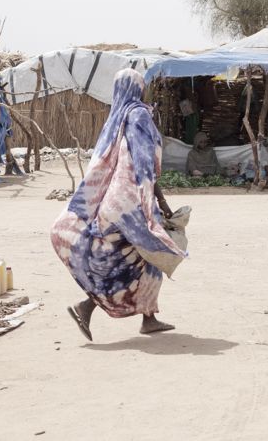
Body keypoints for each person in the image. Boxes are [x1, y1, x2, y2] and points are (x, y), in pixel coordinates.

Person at [51, 69, 185, 341]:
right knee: (149, 253)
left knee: (134, 259)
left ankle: (143, 316)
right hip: (130, 202)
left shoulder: (115, 119)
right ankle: (90, 307)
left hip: (110, 204)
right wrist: (156, 201)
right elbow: (143, 163)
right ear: (139, 88)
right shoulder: (138, 115)